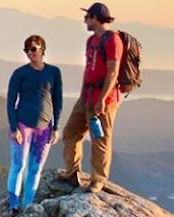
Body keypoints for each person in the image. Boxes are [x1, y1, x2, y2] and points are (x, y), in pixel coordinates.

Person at [59, 2, 123, 193]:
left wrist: (102, 99)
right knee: (71, 133)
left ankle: (98, 179)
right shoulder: (91, 41)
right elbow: (90, 69)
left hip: (104, 98)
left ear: (95, 18)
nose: (84, 20)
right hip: (86, 96)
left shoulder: (112, 40)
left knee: (100, 138)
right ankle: (72, 172)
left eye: (87, 17)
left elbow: (113, 72)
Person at [5, 35, 63, 216]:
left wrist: (56, 127)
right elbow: (10, 101)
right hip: (23, 126)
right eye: (27, 50)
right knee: (19, 165)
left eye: (34, 49)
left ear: (42, 49)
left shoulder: (53, 72)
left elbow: (57, 100)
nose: (30, 53)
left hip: (44, 128)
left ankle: (27, 205)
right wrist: (14, 129)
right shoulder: (20, 73)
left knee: (35, 169)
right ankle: (14, 205)